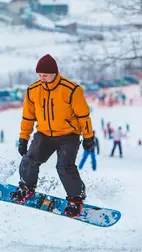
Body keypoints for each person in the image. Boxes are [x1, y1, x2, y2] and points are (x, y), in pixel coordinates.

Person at [10, 54, 95, 218]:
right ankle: (26, 188)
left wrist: (88, 137)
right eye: (39, 75)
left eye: (45, 75)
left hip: (68, 136)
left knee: (64, 167)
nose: (42, 79)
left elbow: (83, 116)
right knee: (30, 159)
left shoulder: (71, 90)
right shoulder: (33, 91)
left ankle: (76, 200)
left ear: (55, 73)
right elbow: (28, 117)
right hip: (44, 135)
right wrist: (23, 138)